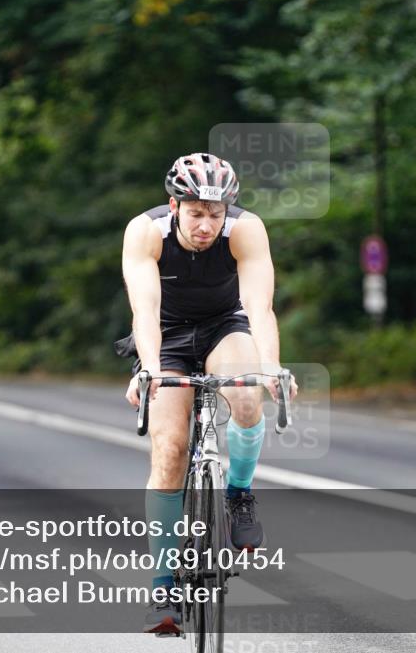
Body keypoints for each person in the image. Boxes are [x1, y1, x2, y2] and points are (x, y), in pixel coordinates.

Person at [118, 152, 298, 635]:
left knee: (245, 395)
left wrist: (271, 367)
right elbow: (145, 309)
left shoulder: (246, 229)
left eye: (214, 215)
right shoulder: (145, 232)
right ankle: (163, 588)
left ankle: (238, 494)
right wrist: (151, 370)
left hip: (225, 327)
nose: (205, 225)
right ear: (173, 205)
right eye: (195, 213)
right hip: (167, 333)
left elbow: (259, 307)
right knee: (170, 450)